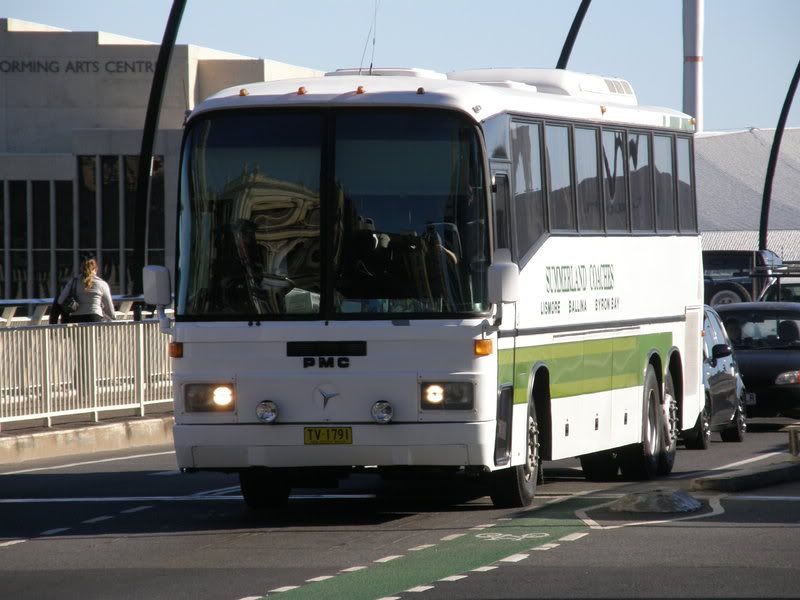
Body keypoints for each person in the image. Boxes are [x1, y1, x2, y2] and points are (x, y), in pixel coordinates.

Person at [55, 257, 116, 323]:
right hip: (95, 317)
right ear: (96, 269)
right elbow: (108, 305)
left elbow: (60, 300)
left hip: (76, 318)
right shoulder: (102, 284)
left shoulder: (73, 282)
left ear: (81, 269)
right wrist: (113, 317)